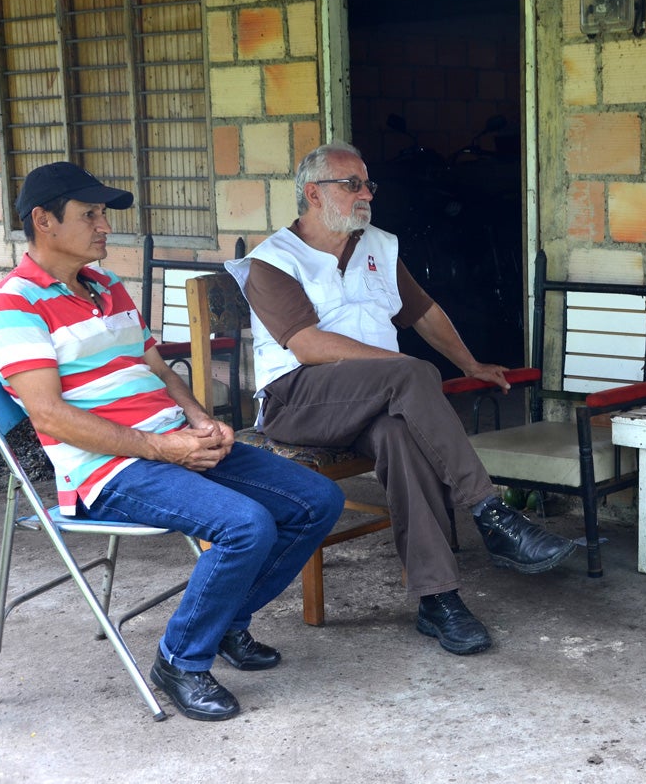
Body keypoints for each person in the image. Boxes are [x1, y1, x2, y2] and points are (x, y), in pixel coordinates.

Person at [0, 162, 345, 722]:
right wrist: (160, 447)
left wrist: (199, 420)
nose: (105, 226)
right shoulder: (13, 305)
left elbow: (160, 371)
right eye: (90, 215)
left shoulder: (107, 286)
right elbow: (49, 415)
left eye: (104, 214)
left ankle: (225, 623)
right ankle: (179, 660)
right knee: (246, 525)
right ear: (43, 221)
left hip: (170, 443)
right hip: (106, 470)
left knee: (318, 500)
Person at [226, 141, 574, 657]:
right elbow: (306, 344)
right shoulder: (272, 260)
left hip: (371, 400)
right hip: (296, 399)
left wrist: (470, 363)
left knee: (400, 437)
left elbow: (424, 312)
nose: (367, 193)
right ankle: (490, 513)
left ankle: (439, 600)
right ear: (314, 194)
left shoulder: (377, 245)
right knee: (410, 375)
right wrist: (398, 369)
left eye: (368, 184)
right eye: (353, 185)